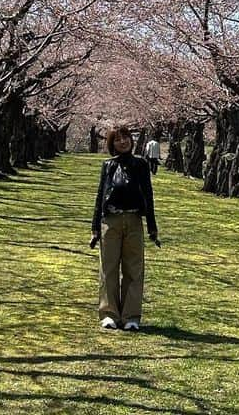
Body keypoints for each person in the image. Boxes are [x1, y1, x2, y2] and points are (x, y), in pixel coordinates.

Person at [91, 124, 160, 331]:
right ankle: (109, 313)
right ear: (112, 143)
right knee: (109, 267)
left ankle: (131, 316)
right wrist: (95, 228)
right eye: (118, 139)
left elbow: (148, 195)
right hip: (110, 220)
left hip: (133, 220)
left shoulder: (140, 165)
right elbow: (100, 196)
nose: (123, 142)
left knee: (134, 269)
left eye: (126, 138)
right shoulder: (108, 165)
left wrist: (152, 228)